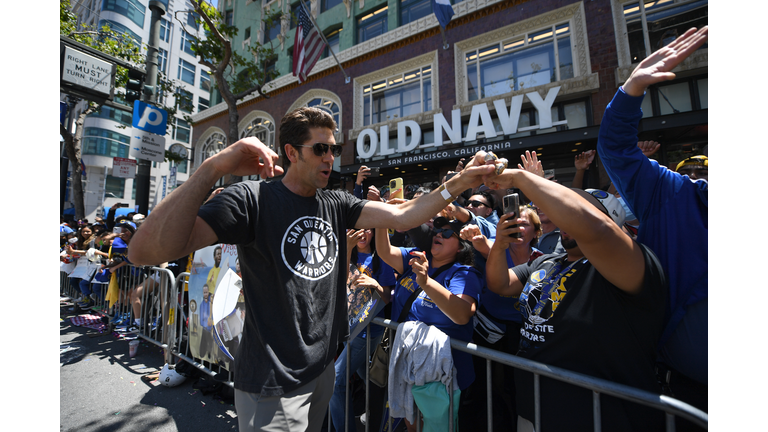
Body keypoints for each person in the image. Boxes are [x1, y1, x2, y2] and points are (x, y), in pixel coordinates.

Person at [127, 106, 495, 432]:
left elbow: (405, 214)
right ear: (291, 152)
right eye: (320, 149)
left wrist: (461, 181)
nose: (330, 157)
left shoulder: (336, 203)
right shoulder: (251, 199)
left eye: (333, 149)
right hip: (270, 381)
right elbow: (143, 252)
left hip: (321, 372)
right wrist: (214, 167)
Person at [482, 158, 667, 432]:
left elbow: (598, 232)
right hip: (533, 405)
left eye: (577, 212)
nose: (565, 219)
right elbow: (500, 284)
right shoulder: (546, 262)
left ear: (612, 220)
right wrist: (499, 245)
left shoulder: (629, 265)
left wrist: (522, 180)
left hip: (597, 415)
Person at [595, 26, 708, 428]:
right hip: (686, 395)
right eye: (694, 167)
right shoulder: (677, 195)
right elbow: (616, 150)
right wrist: (629, 92)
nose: (697, 172)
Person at [374, 215, 482, 432]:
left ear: (462, 247)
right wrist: (382, 215)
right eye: (438, 230)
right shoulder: (415, 257)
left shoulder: (464, 274)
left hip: (445, 373)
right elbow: (385, 251)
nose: (439, 234)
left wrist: (426, 281)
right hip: (408, 362)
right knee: (410, 423)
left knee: (435, 426)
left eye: (448, 233)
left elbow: (461, 315)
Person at [459, 206, 543, 432]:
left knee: (512, 386)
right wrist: (474, 235)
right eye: (514, 223)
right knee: (479, 382)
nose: (519, 228)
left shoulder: (542, 261)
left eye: (525, 224)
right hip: (487, 326)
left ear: (536, 232)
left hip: (520, 332)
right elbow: (480, 242)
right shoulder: (497, 248)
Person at [330, 228, 396, 432]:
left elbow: (387, 298)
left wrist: (375, 284)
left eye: (368, 230)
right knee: (369, 377)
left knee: (335, 381)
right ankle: (384, 413)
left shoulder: (381, 258)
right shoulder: (343, 252)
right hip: (346, 329)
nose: (362, 233)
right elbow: (334, 283)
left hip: (367, 333)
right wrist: (347, 248)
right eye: (357, 229)